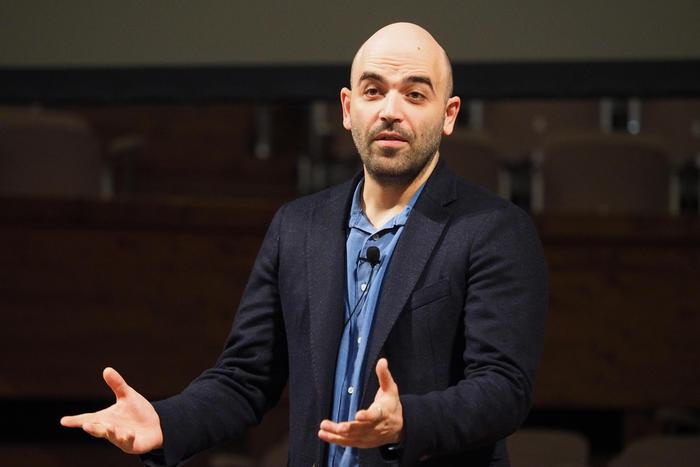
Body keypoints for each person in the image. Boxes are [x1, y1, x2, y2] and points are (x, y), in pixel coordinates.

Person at [61, 22, 548, 467]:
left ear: (448, 114)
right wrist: (166, 423)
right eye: (373, 91)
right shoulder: (298, 226)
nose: (390, 111)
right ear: (346, 107)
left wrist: (407, 422)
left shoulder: (493, 229)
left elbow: (503, 389)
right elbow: (245, 377)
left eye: (415, 95)